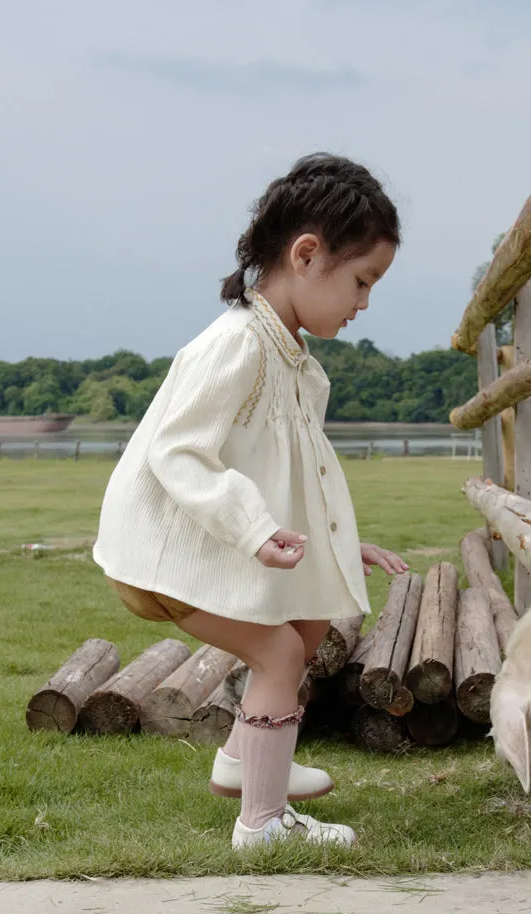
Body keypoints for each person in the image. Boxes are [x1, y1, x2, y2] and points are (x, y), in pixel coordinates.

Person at [93, 153, 407, 849]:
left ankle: (249, 760)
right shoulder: (236, 345)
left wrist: (334, 543)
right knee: (277, 655)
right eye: (362, 281)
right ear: (306, 254)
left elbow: (291, 477)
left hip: (212, 537)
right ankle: (262, 825)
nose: (364, 303)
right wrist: (252, 525)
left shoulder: (293, 360)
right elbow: (178, 451)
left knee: (309, 626)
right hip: (167, 545)